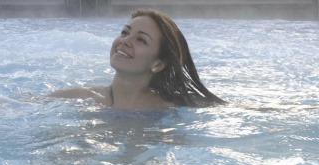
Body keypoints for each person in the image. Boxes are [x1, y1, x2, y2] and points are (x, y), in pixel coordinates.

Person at [50, 8, 225, 109]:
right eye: (125, 32)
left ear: (158, 63)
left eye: (141, 40)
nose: (125, 41)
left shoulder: (172, 106)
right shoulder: (80, 97)